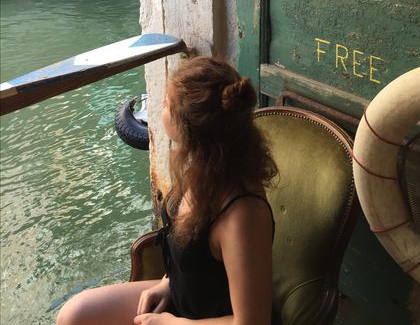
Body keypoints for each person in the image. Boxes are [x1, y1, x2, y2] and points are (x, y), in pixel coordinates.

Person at [56, 57, 278, 325]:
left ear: (186, 127)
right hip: (185, 299)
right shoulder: (203, 168)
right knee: (74, 315)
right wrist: (167, 282)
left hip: (209, 319)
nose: (160, 107)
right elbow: (197, 260)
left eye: (165, 104)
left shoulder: (242, 214)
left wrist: (174, 323)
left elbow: (253, 322)